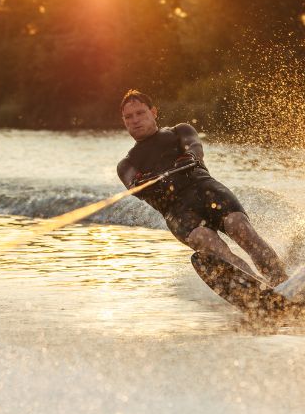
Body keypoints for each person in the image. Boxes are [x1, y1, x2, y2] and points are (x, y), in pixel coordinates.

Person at [116, 90, 288, 286]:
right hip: (177, 210)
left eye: (140, 113)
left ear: (153, 112)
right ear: (124, 121)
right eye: (128, 117)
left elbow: (195, 146)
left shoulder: (179, 131)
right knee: (204, 239)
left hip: (205, 189)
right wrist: (143, 183)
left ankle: (282, 282)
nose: (135, 120)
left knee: (238, 225)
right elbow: (134, 185)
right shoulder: (126, 164)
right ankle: (260, 289)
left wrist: (189, 158)